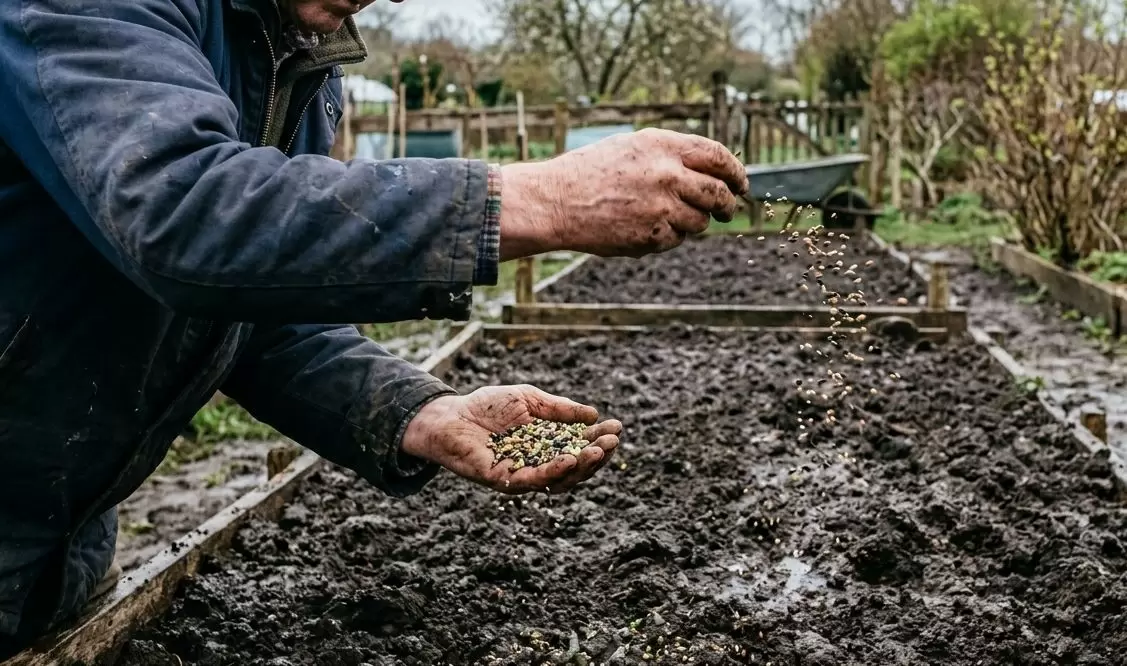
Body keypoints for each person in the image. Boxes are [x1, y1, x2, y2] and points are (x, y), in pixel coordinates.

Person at [0, 0, 748, 656]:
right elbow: (183, 214)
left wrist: (415, 410)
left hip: (60, 546)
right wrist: (536, 200)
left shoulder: (297, 57)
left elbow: (250, 307)